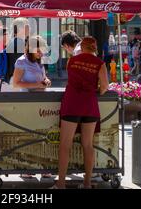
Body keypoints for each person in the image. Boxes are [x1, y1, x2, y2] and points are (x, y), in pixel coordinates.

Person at [52, 37, 108, 189]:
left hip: (72, 103)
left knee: (65, 145)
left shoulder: (71, 61)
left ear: (81, 48)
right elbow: (104, 87)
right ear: (94, 49)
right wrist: (96, 89)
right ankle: (87, 183)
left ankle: (61, 184)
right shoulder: (100, 64)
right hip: (89, 105)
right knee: (88, 145)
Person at [12, 35, 52, 179]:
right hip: (28, 103)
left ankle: (43, 166)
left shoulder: (38, 61)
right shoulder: (21, 61)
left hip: (40, 103)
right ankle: (26, 167)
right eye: (39, 51)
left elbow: (42, 77)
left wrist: (46, 80)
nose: (41, 53)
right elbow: (15, 83)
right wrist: (37, 85)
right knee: (29, 136)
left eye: (42, 51)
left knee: (42, 136)